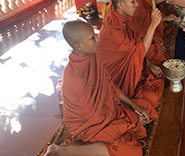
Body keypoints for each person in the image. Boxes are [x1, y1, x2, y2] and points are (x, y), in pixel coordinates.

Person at [44, 20, 157, 156]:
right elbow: (92, 120)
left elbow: (109, 84)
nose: (98, 39)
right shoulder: (75, 78)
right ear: (78, 46)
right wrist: (126, 123)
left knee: (146, 108)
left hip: (107, 111)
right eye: (92, 37)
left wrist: (133, 106)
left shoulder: (92, 55)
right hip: (88, 126)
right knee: (131, 151)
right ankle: (60, 151)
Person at [99, 0, 165, 108]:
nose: (137, 5)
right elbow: (140, 51)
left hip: (135, 68)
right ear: (121, 5)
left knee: (159, 73)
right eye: (133, 1)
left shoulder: (127, 18)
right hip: (117, 82)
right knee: (151, 99)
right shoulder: (113, 30)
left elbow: (137, 48)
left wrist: (149, 64)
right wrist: (153, 25)